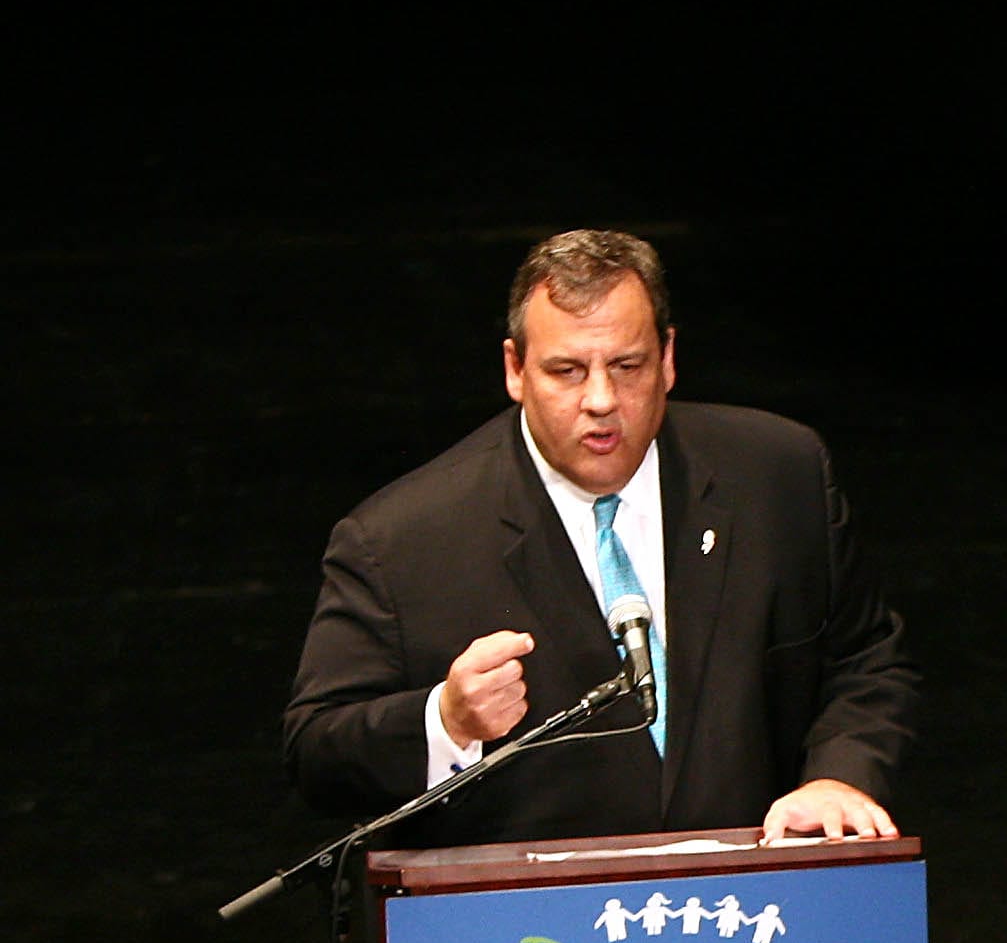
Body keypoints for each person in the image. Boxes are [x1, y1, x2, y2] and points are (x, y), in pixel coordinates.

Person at [287, 228, 918, 845]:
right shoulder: (402, 541)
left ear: (668, 358)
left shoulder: (778, 473)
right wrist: (446, 720)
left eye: (627, 365)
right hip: (532, 935)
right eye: (566, 370)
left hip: (751, 924)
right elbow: (318, 752)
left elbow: (864, 661)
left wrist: (840, 776)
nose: (600, 399)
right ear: (515, 369)